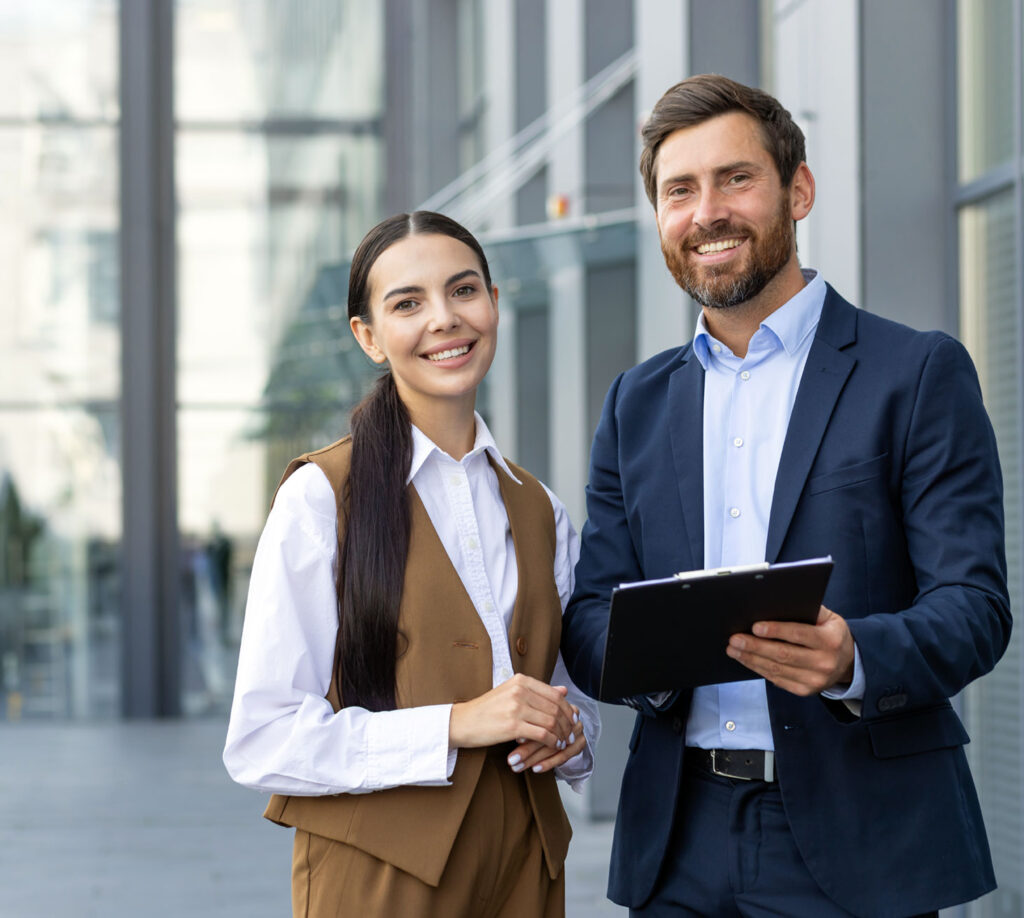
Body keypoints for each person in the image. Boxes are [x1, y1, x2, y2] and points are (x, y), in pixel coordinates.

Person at [561, 74, 1011, 917]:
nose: (707, 213)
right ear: (659, 218)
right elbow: (590, 617)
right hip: (677, 842)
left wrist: (853, 658)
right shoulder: (636, 403)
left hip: (864, 840)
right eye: (679, 191)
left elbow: (976, 606)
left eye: (736, 179)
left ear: (797, 190)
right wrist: (657, 655)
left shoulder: (913, 374)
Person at [224, 210, 599, 917]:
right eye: (407, 303)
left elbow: (563, 697)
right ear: (368, 337)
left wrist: (570, 734)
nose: (445, 320)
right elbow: (262, 739)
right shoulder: (319, 497)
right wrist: (455, 724)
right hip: (380, 880)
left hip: (526, 868)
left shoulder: (540, 508)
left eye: (463, 291)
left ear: (493, 302)